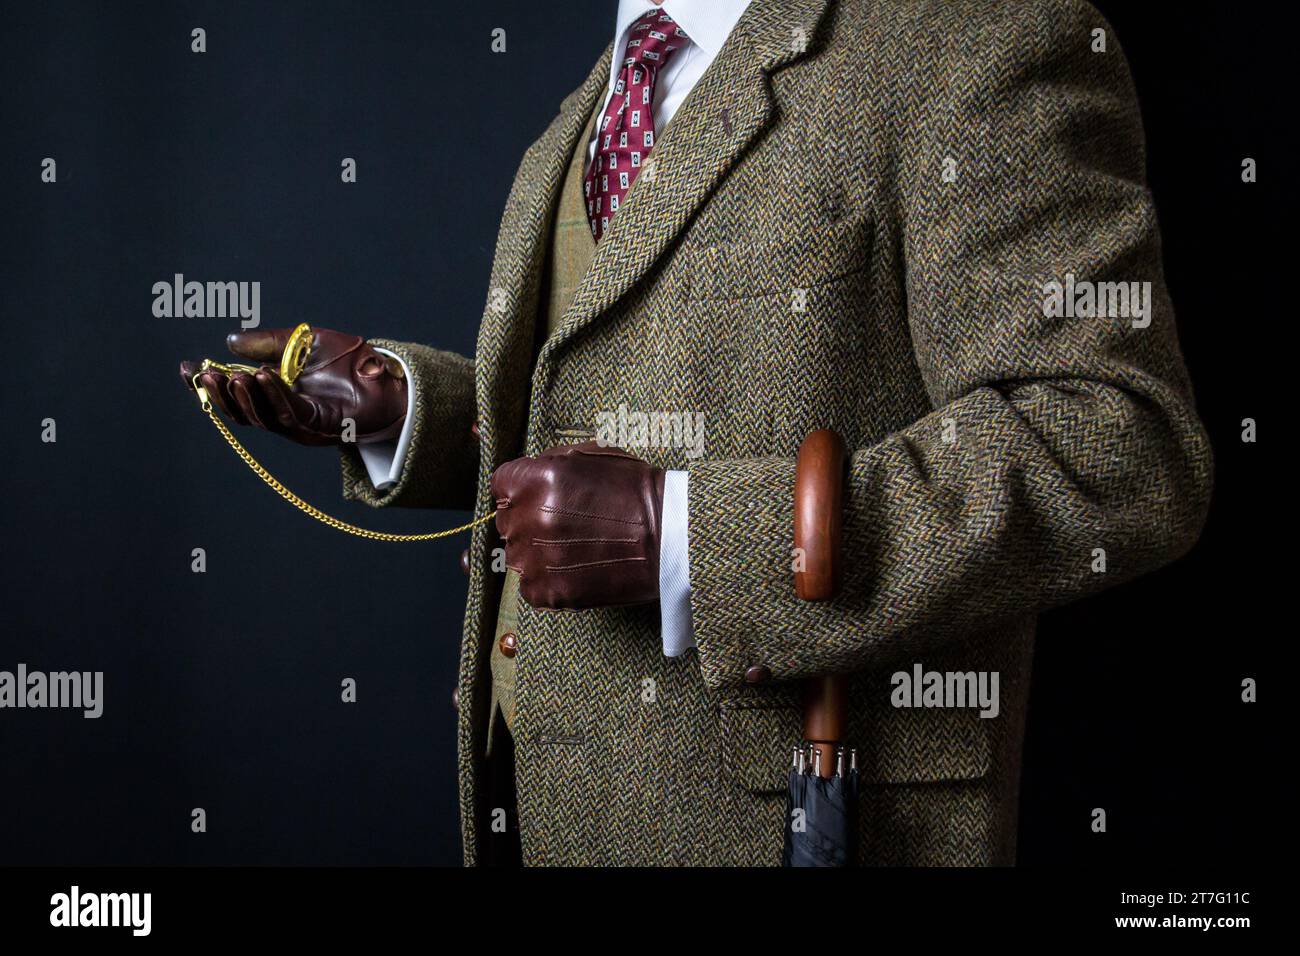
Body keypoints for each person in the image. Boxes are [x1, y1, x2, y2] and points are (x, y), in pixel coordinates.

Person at [181, 0, 1212, 866]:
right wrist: (407, 405)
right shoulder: (582, 111)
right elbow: (595, 410)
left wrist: (688, 537)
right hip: (531, 814)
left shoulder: (972, 36)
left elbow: (1118, 444)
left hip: (798, 826)